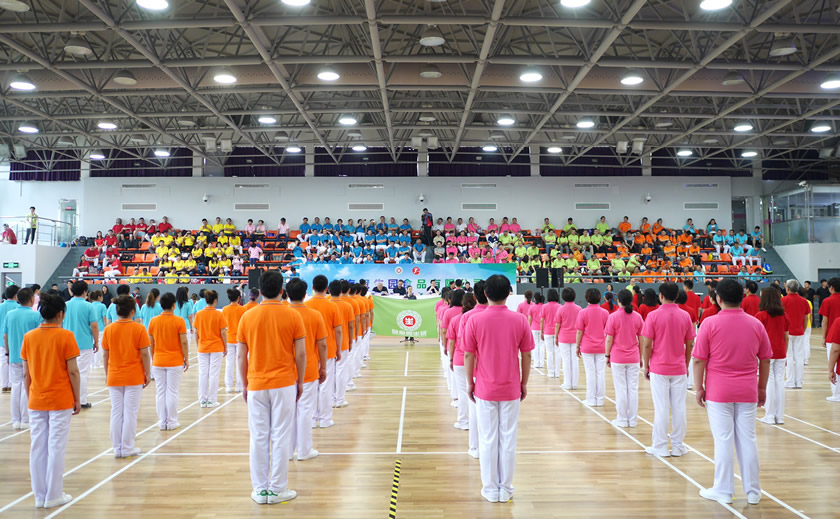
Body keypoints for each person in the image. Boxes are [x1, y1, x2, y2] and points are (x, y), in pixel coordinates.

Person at [693, 278, 771, 506]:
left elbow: (698, 360)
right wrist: (762, 387)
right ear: (742, 298)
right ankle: (753, 491)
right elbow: (765, 359)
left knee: (723, 439)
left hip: (719, 391)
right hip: (747, 390)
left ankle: (724, 490)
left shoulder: (709, 323)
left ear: (718, 299)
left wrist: (698, 387)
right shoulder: (755, 324)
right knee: (748, 439)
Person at [237, 270, 306, 504]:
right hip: (284, 383)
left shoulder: (247, 316)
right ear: (281, 290)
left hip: (256, 384)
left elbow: (241, 356)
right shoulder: (293, 315)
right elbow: (301, 354)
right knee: (281, 436)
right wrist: (300, 381)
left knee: (258, 437)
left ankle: (260, 490)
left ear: (259, 290)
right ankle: (277, 489)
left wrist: (244, 384)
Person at [463, 274, 533, 503]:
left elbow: (468, 355)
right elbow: (526, 355)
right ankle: (505, 487)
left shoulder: (475, 320)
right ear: (509, 294)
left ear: (485, 294)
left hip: (485, 388)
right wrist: (524, 383)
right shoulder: (520, 320)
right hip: (511, 388)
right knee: (508, 438)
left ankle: (491, 488)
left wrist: (470, 383)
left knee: (488, 438)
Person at [21, 294, 81, 508]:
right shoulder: (66, 336)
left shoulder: (29, 337)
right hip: (60, 399)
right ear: (60, 314)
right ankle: (54, 494)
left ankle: (39, 496)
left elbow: (26, 374)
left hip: (37, 398)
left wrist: (30, 396)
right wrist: (77, 399)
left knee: (37, 447)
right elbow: (73, 371)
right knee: (56, 446)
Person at [641, 282, 696, 457]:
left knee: (661, 408)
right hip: (678, 368)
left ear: (661, 296)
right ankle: (678, 446)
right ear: (677, 296)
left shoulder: (653, 316)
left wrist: (646, 365)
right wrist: (685, 364)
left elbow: (647, 344)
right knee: (679, 408)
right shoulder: (685, 316)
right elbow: (690, 343)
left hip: (659, 367)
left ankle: (660, 446)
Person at [102, 295, 151, 458]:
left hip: (114, 375)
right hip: (133, 376)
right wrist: (148, 373)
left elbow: (105, 355)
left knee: (116, 411)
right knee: (130, 412)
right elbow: (145, 354)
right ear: (132, 311)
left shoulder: (109, 329)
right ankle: (127, 447)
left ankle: (117, 448)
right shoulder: (139, 329)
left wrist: (107, 373)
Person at [286, 278, 327, 461]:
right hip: (308, 369)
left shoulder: (283, 314)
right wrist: (323, 367)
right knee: (305, 410)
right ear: (305, 294)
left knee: (287, 412)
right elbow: (322, 345)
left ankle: (287, 452)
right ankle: (304, 450)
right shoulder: (314, 315)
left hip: (285, 370)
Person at [305, 275, 344, 428]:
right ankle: (325, 419)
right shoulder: (332, 306)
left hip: (310, 350)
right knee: (326, 386)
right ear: (326, 289)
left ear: (312, 287)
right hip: (328, 350)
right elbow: (338, 330)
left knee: (311, 387)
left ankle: (313, 419)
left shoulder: (306, 305)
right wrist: (338, 349)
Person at [148, 292, 188, 431]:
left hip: (158, 360)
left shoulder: (153, 321)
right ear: (174, 305)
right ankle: (171, 421)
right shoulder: (179, 321)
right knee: (172, 391)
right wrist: (186, 358)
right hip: (174, 361)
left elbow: (151, 343)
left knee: (160, 392)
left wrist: (154, 357)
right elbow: (184, 342)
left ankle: (162, 421)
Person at [3, 288, 41, 429]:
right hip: (30, 356)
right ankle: (25, 419)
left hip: (14, 355)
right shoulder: (36, 315)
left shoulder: (10, 315)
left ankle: (15, 420)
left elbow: (5, 336)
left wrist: (8, 353)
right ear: (31, 299)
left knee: (16, 386)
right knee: (27, 386)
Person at [605, 289, 644, 428]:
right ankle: (632, 420)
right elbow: (641, 339)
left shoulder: (613, 317)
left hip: (618, 357)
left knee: (620, 388)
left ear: (619, 301)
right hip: (633, 356)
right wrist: (641, 356)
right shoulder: (637, 317)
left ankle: (622, 418)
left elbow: (609, 339)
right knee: (632, 388)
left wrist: (607, 355)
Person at [755, 287, 789, 425]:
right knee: (779, 382)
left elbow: (757, 338)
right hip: (781, 352)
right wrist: (785, 353)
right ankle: (779, 416)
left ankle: (769, 415)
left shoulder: (761, 315)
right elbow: (786, 337)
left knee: (769, 381)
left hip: (766, 354)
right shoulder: (784, 316)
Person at [64, 281, 98, 409]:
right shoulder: (89, 306)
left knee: (68, 373)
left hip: (67, 343)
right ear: (85, 292)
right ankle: (81, 400)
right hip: (84, 343)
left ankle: (69, 399)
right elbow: (94, 326)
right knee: (82, 373)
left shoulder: (65, 305)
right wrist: (96, 341)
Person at [575, 289, 609, 407]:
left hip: (587, 347)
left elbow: (579, 331)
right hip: (602, 347)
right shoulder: (605, 313)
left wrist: (577, 346)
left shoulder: (583, 313)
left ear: (587, 298)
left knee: (590, 373)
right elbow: (608, 332)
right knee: (600, 373)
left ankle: (591, 399)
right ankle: (600, 399)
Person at [194, 290, 227, 408]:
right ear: (215, 300)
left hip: (203, 346)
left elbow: (196, 332)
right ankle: (212, 400)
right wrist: (225, 346)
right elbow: (223, 332)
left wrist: (198, 345)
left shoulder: (199, 314)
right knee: (213, 374)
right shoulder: (219, 314)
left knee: (203, 373)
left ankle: (203, 400)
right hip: (216, 347)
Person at [781, 280, 810, 390]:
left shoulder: (783, 300)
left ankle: (790, 381)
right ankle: (799, 381)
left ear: (788, 289)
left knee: (788, 357)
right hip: (799, 331)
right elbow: (806, 318)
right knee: (799, 357)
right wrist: (803, 329)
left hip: (787, 332)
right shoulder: (804, 301)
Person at [330, 280, 355, 409]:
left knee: (329, 373)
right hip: (343, 342)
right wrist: (350, 341)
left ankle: (330, 400)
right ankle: (339, 399)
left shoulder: (327, 304)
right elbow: (351, 326)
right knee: (340, 370)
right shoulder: (347, 306)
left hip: (327, 344)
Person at [553, 288, 581, 390]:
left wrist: (556, 336)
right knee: (575, 360)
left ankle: (567, 383)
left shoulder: (561, 309)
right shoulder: (579, 309)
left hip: (564, 337)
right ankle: (574, 383)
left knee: (566, 360)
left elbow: (557, 325)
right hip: (575, 337)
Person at [818, 278, 840, 401]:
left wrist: (823, 337)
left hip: (833, 335)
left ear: (831, 287)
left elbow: (824, 320)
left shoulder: (827, 301)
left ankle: (836, 393)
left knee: (833, 363)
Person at [222, 289, 248, 394]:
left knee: (229, 363)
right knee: (240, 362)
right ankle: (239, 385)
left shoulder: (224, 309)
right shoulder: (243, 309)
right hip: (240, 339)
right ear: (239, 298)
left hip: (228, 339)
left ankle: (228, 386)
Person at [0, 285, 21, 393]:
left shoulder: (0, 307)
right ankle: (12, 384)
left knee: (3, 362)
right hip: (16, 338)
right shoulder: (18, 307)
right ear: (16, 295)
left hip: (2, 339)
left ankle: (4, 384)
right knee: (15, 363)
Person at [540, 289, 561, 378]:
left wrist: (541, 331)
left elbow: (542, 320)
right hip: (558, 332)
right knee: (557, 352)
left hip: (547, 331)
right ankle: (557, 373)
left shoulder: (544, 306)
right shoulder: (560, 306)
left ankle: (550, 372)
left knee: (549, 352)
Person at [527, 293, 543, 368]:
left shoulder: (532, 307)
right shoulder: (544, 307)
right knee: (542, 346)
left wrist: (528, 327)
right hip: (542, 328)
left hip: (534, 328)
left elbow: (529, 319)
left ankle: (536, 363)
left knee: (536, 345)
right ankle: (541, 363)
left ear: (535, 299)